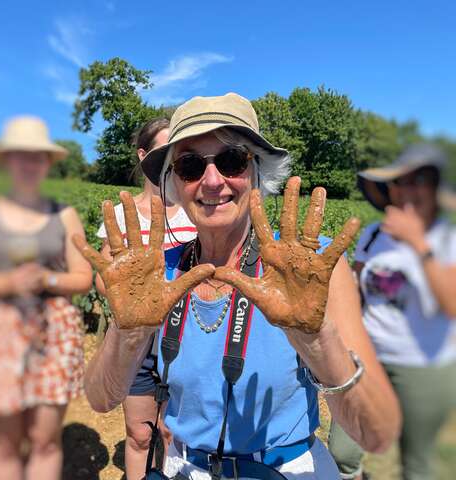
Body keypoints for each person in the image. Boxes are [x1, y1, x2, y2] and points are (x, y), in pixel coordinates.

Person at [74, 93, 402, 479]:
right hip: (185, 468)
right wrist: (129, 332)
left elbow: (375, 435)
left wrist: (314, 341)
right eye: (191, 166)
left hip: (286, 469)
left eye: (232, 161)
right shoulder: (158, 275)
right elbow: (100, 398)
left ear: (259, 173)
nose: (213, 181)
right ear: (175, 185)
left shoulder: (308, 271)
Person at [0, 116, 93, 480]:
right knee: (4, 445)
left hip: (54, 333)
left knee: (44, 439)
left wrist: (46, 277)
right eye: (21, 156)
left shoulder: (65, 215)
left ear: (47, 163)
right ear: (7, 161)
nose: (28, 164)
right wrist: (9, 281)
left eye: (36, 157)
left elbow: (84, 277)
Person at [328, 144, 456, 480]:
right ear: (391, 189)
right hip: (368, 357)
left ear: (434, 189)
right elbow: (355, 286)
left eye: (420, 181)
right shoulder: (373, 236)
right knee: (343, 450)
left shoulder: (446, 239)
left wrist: (418, 244)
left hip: (422, 363)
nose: (409, 189)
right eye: (402, 182)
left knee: (416, 464)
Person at [96, 118, 197, 479]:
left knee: (172, 432)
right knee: (140, 433)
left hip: (185, 336)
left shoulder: (195, 209)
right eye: (163, 151)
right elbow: (102, 274)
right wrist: (130, 296)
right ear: (144, 155)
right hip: (138, 338)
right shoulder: (123, 214)